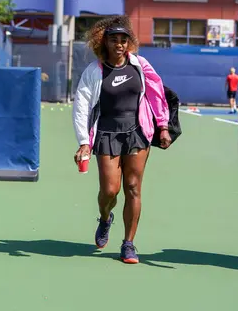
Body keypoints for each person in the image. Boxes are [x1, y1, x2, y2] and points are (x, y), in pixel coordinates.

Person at [72, 15, 172, 264]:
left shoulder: (140, 64)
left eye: (123, 39)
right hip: (106, 134)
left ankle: (129, 244)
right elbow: (82, 106)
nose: (119, 44)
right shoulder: (95, 71)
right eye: (114, 39)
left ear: (129, 42)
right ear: (103, 42)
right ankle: (105, 218)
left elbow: (157, 92)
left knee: (133, 188)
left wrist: (163, 126)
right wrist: (84, 141)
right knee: (109, 191)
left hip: (137, 132)